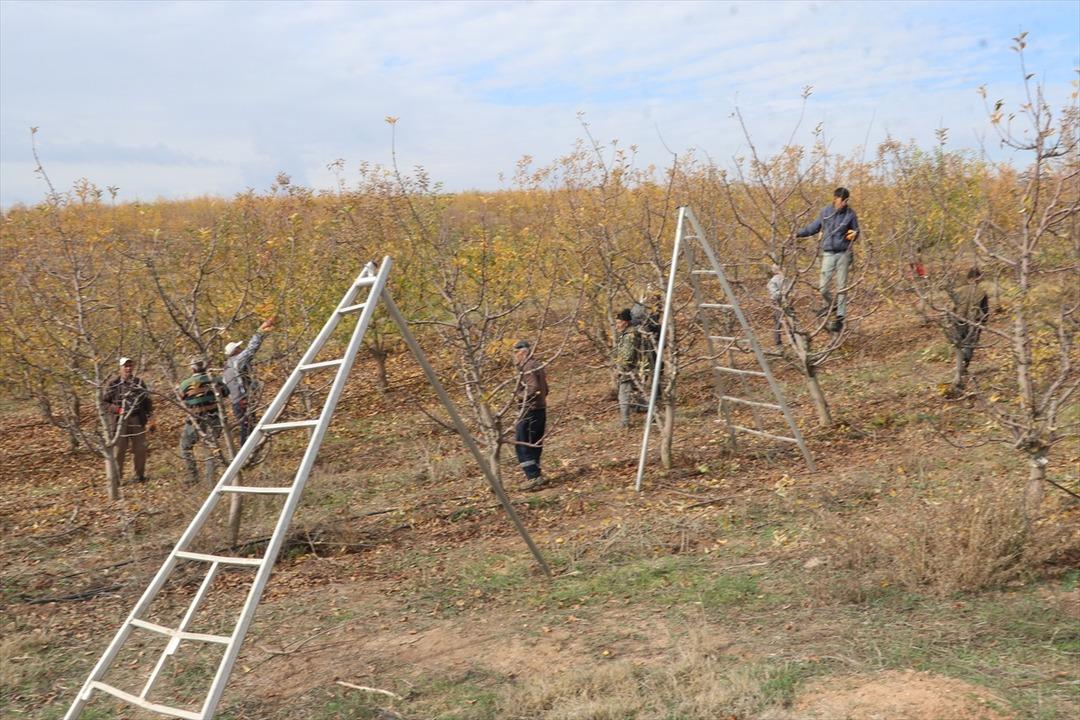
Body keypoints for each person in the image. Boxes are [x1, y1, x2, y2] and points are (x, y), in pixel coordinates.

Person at [794, 187, 860, 333]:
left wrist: (853, 235)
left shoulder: (850, 214)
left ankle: (840, 318)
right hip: (829, 253)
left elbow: (856, 231)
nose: (843, 203)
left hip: (843, 253)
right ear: (835, 199)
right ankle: (834, 305)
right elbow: (814, 227)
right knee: (823, 288)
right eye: (841, 200)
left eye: (845, 201)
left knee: (842, 287)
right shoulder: (826, 212)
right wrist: (798, 233)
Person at [178, 357, 229, 485]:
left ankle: (193, 477)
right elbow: (226, 392)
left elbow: (181, 398)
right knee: (211, 449)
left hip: (195, 421)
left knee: (185, 447)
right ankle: (210, 482)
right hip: (214, 419)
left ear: (192, 368)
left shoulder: (185, 384)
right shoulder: (216, 380)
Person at [223, 317, 275, 444]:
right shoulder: (237, 361)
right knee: (248, 430)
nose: (241, 349)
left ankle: (247, 455)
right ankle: (245, 456)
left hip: (237, 403)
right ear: (235, 351)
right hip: (243, 401)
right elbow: (251, 349)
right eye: (238, 348)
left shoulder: (226, 368)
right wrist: (260, 332)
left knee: (247, 428)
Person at [103, 357, 155, 484]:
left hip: (137, 418)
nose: (128, 368)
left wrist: (152, 419)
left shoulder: (139, 382)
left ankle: (140, 476)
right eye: (125, 366)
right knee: (119, 451)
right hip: (119, 421)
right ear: (120, 368)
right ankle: (117, 479)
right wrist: (118, 410)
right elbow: (104, 403)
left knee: (140, 449)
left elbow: (147, 402)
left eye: (130, 365)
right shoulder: (113, 383)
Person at [512, 340, 549, 490]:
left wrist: (518, 396)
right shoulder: (537, 364)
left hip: (529, 410)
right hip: (540, 409)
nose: (514, 356)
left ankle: (532, 477)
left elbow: (532, 388)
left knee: (522, 443)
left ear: (522, 352)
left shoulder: (526, 366)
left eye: (515, 352)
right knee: (535, 443)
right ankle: (537, 475)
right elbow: (546, 389)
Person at [948, 267, 990, 391]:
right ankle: (963, 367)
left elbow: (952, 308)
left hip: (958, 320)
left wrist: (951, 322)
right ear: (978, 278)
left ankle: (960, 367)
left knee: (960, 345)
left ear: (968, 278)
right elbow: (985, 310)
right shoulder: (982, 292)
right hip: (974, 322)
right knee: (970, 346)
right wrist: (983, 323)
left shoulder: (958, 291)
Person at [613, 309, 639, 428]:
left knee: (623, 396)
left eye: (619, 322)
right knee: (634, 395)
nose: (617, 326)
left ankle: (625, 422)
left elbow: (627, 357)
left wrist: (619, 370)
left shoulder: (629, 336)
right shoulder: (627, 334)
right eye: (616, 323)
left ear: (626, 322)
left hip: (629, 371)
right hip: (631, 370)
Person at [766, 263, 787, 347]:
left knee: (792, 321)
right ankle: (778, 343)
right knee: (778, 322)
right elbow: (774, 294)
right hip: (777, 303)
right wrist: (782, 293)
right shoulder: (773, 281)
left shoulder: (786, 279)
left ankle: (795, 338)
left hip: (787, 302)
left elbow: (791, 289)